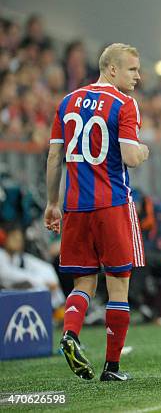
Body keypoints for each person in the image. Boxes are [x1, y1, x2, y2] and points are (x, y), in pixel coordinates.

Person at [44, 43, 149, 382]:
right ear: (112, 69)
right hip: (113, 205)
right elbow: (131, 158)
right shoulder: (124, 104)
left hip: (75, 207)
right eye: (132, 69)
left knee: (83, 283)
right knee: (119, 286)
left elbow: (53, 159)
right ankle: (112, 368)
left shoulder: (67, 102)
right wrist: (144, 151)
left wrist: (51, 203)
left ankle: (71, 334)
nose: (138, 76)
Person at [0, 221, 65, 310]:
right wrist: (40, 281)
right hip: (4, 300)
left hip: (16, 297)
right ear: (4, 238)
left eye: (20, 239)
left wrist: (50, 281)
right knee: (34, 287)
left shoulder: (19, 257)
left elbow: (46, 268)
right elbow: (7, 275)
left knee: (42, 281)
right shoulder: (1, 255)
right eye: (14, 238)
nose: (18, 241)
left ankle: (58, 309)